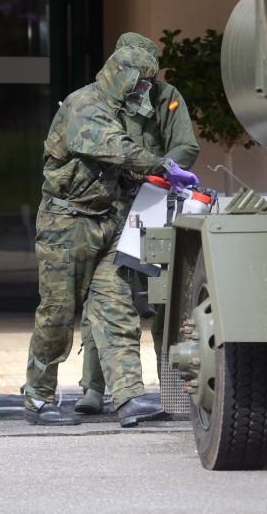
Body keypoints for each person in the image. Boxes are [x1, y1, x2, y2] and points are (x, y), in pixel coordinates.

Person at [23, 44, 199, 426]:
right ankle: (38, 398)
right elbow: (116, 150)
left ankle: (129, 397)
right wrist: (163, 166)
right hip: (67, 225)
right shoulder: (84, 105)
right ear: (121, 76)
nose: (144, 92)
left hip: (108, 222)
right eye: (140, 83)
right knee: (57, 314)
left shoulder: (122, 110)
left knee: (117, 309)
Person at [75, 32, 199, 415]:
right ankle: (93, 388)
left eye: (147, 74)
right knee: (105, 296)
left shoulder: (166, 96)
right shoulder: (98, 97)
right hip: (108, 205)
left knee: (166, 292)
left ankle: (171, 386)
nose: (140, 81)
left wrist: (163, 172)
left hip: (154, 202)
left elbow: (186, 145)